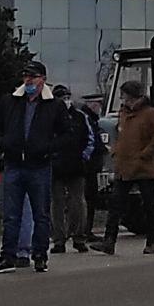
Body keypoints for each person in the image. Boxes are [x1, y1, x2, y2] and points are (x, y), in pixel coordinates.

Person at [0, 61, 71, 275]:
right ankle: (8, 256)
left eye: (33, 77)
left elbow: (67, 134)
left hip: (39, 166)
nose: (29, 81)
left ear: (43, 79)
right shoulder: (10, 101)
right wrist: (4, 143)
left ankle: (40, 255)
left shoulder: (54, 105)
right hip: (14, 164)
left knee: (40, 213)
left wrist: (47, 149)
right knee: (11, 214)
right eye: (26, 76)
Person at [91, 77, 154, 257]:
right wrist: (116, 151)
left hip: (144, 168)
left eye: (125, 96)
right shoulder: (123, 113)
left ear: (136, 97)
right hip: (123, 167)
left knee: (149, 205)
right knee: (115, 205)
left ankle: (152, 241)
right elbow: (121, 135)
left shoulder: (151, 114)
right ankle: (109, 241)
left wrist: (144, 154)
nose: (123, 100)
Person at [49, 85, 94, 255]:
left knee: (78, 203)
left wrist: (84, 156)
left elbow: (90, 139)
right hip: (56, 165)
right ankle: (59, 239)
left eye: (67, 97)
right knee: (57, 204)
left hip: (76, 165)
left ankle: (79, 237)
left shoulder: (80, 116)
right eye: (61, 97)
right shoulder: (49, 118)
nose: (65, 100)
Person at [81, 95, 107, 241]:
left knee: (90, 199)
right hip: (89, 167)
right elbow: (91, 142)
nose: (100, 107)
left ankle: (87, 230)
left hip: (92, 166)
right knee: (88, 199)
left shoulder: (92, 120)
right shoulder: (87, 120)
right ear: (91, 105)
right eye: (98, 104)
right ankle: (85, 230)